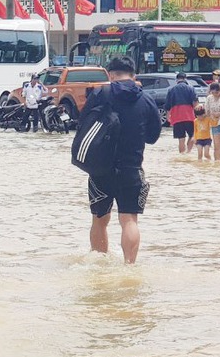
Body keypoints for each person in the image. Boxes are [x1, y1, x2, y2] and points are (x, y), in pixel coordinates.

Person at [81, 56, 162, 265]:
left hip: (100, 169)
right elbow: (153, 137)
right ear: (133, 75)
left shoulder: (100, 93)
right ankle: (129, 266)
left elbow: (82, 124)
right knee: (129, 219)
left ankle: (99, 265)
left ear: (110, 74)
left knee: (99, 220)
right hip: (132, 168)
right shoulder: (146, 99)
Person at [165, 72, 198, 152]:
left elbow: (168, 106)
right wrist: (197, 114)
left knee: (181, 139)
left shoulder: (171, 90)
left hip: (176, 116)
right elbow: (195, 102)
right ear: (185, 79)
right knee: (193, 135)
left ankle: (181, 156)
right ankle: (188, 152)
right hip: (189, 116)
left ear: (176, 80)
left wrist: (168, 117)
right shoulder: (191, 88)